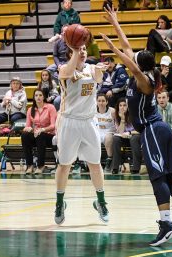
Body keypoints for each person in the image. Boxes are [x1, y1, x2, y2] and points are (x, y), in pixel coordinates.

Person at [100, 6, 172, 245]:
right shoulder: (144, 74)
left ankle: (167, 223)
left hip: (152, 132)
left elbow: (129, 58)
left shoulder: (144, 80)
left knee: (157, 177)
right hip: (160, 130)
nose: (130, 55)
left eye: (133, 57)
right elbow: (128, 48)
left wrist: (112, 48)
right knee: (167, 177)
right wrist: (116, 23)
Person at [53, 43, 109, 225]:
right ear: (70, 53)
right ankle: (60, 203)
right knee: (65, 165)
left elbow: (99, 79)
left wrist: (100, 70)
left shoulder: (91, 68)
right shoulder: (63, 69)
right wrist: (74, 52)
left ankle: (101, 202)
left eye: (84, 49)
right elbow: (66, 72)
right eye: (79, 49)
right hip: (69, 121)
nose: (83, 52)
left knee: (95, 163)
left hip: (89, 121)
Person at [22, 89, 57, 174]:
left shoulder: (50, 107)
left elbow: (54, 125)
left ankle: (41, 165)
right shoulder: (30, 110)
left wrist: (43, 129)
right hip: (37, 135)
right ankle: (29, 165)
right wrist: (28, 129)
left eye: (40, 95)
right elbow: (27, 125)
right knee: (25, 135)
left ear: (44, 97)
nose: (38, 97)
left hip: (50, 136)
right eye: (36, 95)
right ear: (34, 97)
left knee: (40, 135)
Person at [111, 98, 142, 174]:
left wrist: (129, 133)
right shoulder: (117, 115)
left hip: (135, 135)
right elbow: (120, 132)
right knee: (115, 139)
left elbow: (140, 130)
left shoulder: (135, 114)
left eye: (124, 105)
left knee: (134, 139)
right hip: (124, 137)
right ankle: (115, 167)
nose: (122, 107)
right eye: (120, 105)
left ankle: (136, 167)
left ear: (128, 106)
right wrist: (122, 119)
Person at [94, 94, 115, 172]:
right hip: (97, 132)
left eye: (103, 101)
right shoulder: (93, 111)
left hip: (109, 131)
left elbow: (118, 123)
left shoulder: (112, 111)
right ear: (96, 102)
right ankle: (95, 161)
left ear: (106, 102)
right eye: (99, 101)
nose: (101, 103)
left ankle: (109, 160)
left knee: (108, 138)